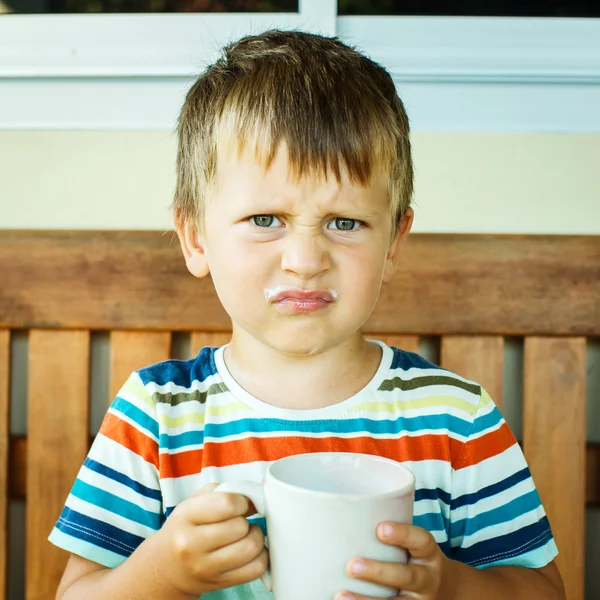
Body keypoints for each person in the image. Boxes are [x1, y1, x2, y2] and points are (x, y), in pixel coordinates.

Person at [50, 29, 565, 600]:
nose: (304, 262)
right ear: (195, 237)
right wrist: (162, 574)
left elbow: (541, 589)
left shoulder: (455, 419)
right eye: (265, 219)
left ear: (393, 241)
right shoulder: (155, 418)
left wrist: (449, 587)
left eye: (344, 223)